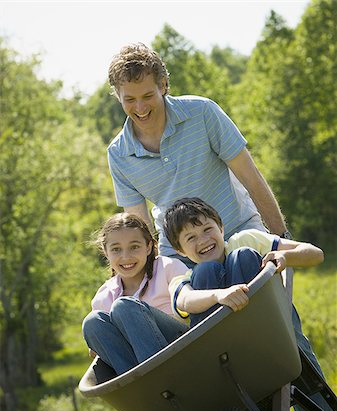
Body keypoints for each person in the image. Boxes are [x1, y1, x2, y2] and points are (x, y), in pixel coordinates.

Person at [163, 197, 336, 411]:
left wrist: (284, 257)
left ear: (221, 227)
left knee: (243, 256)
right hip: (229, 360)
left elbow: (315, 254)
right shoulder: (184, 277)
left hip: (274, 336)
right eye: (190, 238)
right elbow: (186, 300)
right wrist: (218, 295)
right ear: (179, 250)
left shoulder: (246, 240)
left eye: (207, 229)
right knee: (206, 272)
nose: (202, 240)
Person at [107, 42, 291, 262]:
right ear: (118, 96)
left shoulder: (202, 113)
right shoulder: (119, 154)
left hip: (240, 232)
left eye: (147, 96)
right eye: (129, 99)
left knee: (258, 283)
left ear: (163, 85)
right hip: (180, 254)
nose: (140, 107)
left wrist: (282, 239)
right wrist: (154, 278)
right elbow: (141, 227)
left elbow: (252, 179)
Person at [82, 213, 189, 376]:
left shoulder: (167, 268)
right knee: (91, 321)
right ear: (105, 251)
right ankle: (141, 383)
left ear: (148, 247)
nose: (126, 257)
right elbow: (101, 346)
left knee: (123, 306)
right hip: (136, 364)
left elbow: (191, 305)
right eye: (116, 249)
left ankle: (160, 376)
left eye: (134, 247)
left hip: (182, 347)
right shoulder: (104, 296)